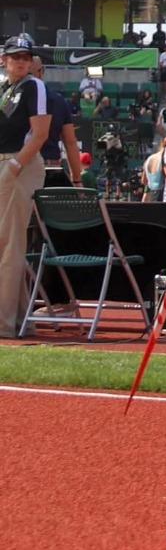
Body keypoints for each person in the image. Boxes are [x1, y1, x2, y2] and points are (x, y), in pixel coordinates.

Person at [0, 34, 51, 337]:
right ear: (4, 59)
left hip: (19, 163)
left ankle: (4, 323)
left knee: (9, 244)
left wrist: (15, 166)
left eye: (25, 57)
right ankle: (19, 319)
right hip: (6, 162)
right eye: (15, 56)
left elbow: (41, 133)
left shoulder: (34, 86)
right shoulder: (6, 88)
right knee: (7, 242)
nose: (20, 61)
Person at [32, 56, 83, 186]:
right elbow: (70, 142)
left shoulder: (10, 100)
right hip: (50, 170)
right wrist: (77, 180)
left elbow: (70, 143)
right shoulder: (58, 101)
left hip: (22, 169)